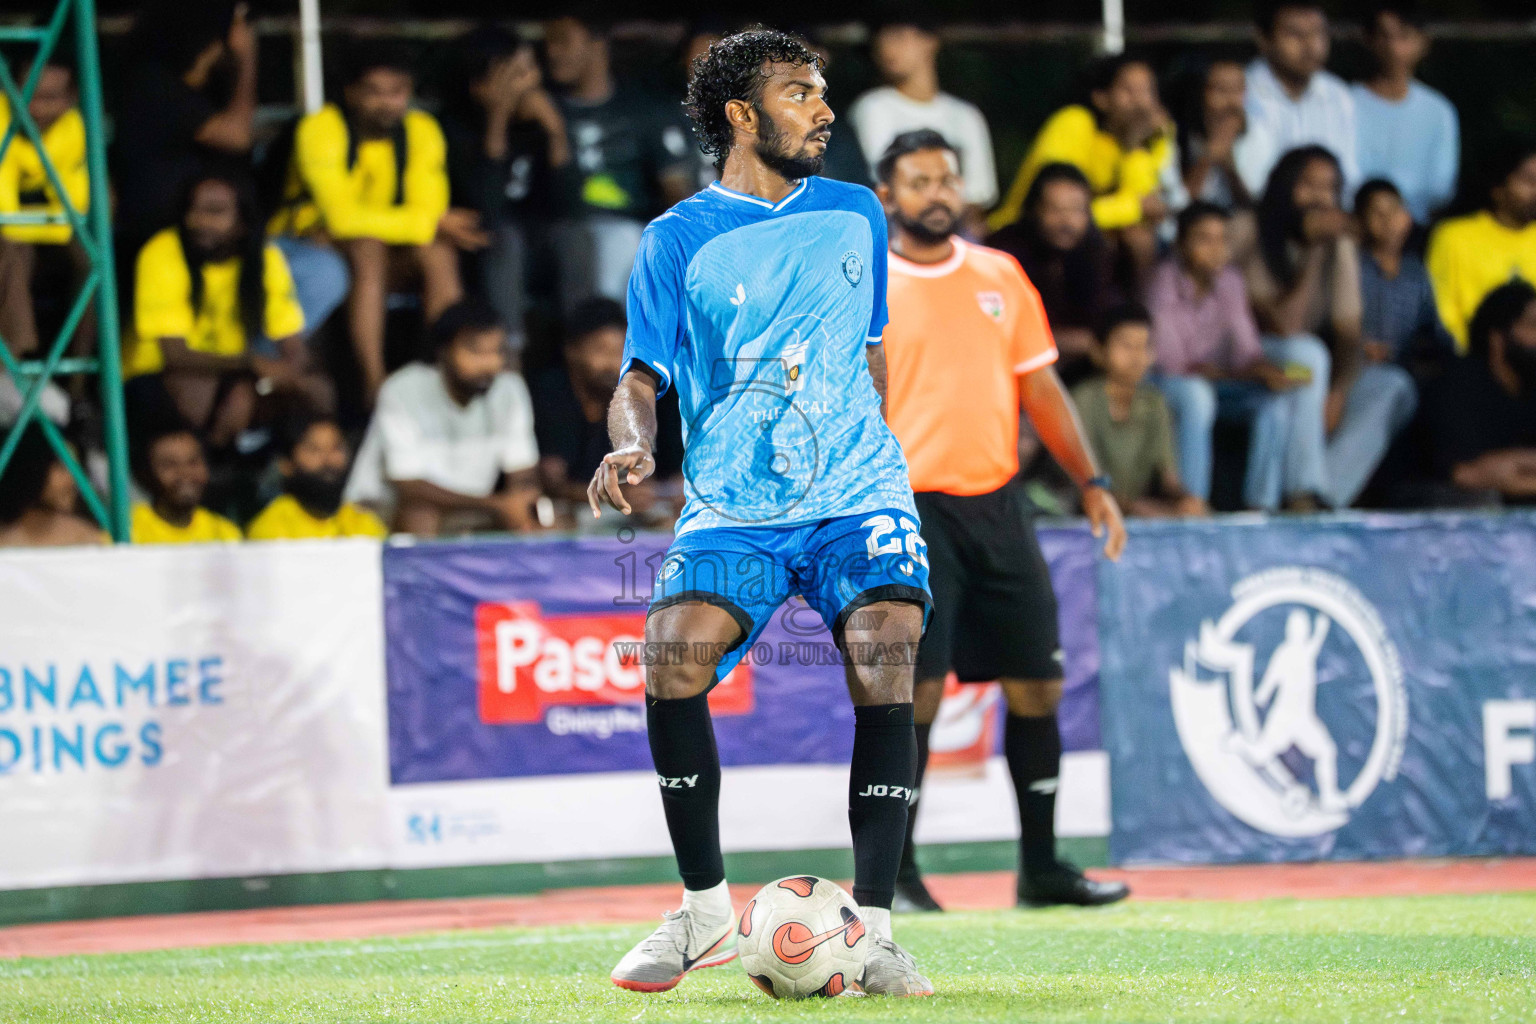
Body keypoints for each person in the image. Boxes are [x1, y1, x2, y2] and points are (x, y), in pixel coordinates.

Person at [588, 30, 934, 996]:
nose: (824, 110)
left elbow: (868, 352)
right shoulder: (676, 239)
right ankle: (703, 913)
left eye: (823, 93)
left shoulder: (860, 213)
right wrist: (632, 442)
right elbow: (640, 375)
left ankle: (873, 934)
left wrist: (870, 448)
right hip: (736, 504)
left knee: (886, 644)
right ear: (741, 115)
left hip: (856, 489)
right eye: (799, 93)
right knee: (672, 655)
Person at [872, 130, 1128, 915]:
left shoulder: (1000, 274)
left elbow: (1042, 390)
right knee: (912, 694)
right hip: (906, 509)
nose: (936, 193)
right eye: (918, 181)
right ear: (887, 196)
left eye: (946, 178)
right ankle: (898, 874)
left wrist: (1092, 481)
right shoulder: (864, 282)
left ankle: (1043, 867)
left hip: (999, 502)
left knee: (1039, 685)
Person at [271, 41, 459, 404]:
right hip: (308, 243)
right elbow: (342, 218)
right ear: (351, 92)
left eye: (398, 92)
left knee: (438, 252)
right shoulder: (321, 128)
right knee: (368, 247)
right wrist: (420, 223)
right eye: (374, 92)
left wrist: (417, 224)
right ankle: (376, 385)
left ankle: (448, 375)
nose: (387, 103)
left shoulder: (421, 129)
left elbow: (429, 211)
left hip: (375, 250)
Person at [1246, 146, 1417, 509]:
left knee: (1393, 385)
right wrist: (1312, 250)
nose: (1320, 197)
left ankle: (1325, 499)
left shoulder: (1338, 242)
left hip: (1312, 371)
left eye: (1330, 187)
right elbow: (1284, 327)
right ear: (1284, 184)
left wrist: (1338, 392)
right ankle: (1303, 490)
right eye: (1308, 185)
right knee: (1308, 355)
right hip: (1256, 362)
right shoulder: (1250, 229)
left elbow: (1349, 331)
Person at [122, 172, 327, 450]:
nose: (199, 221)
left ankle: (279, 463)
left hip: (230, 372)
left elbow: (292, 345)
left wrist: (296, 377)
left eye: (215, 211)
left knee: (316, 390)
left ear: (243, 222)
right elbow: (175, 354)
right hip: (156, 376)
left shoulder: (266, 258)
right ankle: (213, 461)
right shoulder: (162, 251)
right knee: (220, 391)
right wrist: (252, 364)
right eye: (192, 210)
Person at [1150, 201, 1323, 510]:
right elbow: (1173, 365)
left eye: (1222, 239)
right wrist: (1246, 374)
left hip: (1219, 381)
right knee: (1195, 395)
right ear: (1179, 245)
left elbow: (1247, 351)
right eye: (1204, 239)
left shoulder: (1231, 280)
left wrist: (1268, 371)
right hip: (1167, 384)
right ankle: (1194, 503)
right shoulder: (1162, 282)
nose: (1217, 249)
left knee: (1277, 401)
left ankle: (1261, 507)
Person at [344, 298, 540, 537]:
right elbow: (409, 487)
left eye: (497, 351)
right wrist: (497, 505)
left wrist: (520, 503)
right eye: (475, 351)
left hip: (469, 509)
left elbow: (522, 470)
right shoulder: (402, 389)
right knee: (421, 514)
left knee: (544, 519)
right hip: (380, 513)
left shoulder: (509, 389)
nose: (489, 363)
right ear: (443, 351)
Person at [543, 8, 697, 311]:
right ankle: (601, 340)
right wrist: (553, 131)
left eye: (562, 41)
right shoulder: (543, 110)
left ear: (597, 43)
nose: (552, 52)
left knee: (627, 239)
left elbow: (675, 188)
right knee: (598, 238)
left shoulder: (641, 110)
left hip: (630, 230)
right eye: (548, 43)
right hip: (558, 231)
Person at [440, 24, 569, 352]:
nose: (531, 83)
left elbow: (568, 204)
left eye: (531, 69)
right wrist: (497, 120)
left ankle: (585, 345)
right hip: (478, 250)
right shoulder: (452, 129)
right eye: (516, 74)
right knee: (504, 236)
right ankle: (507, 351)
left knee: (580, 236)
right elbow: (487, 209)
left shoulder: (540, 123)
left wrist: (556, 133)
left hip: (538, 245)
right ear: (480, 86)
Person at [110, 1, 257, 252]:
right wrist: (246, 58)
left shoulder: (198, 89)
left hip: (199, 233)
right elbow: (237, 137)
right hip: (162, 236)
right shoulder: (154, 84)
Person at [531, 297, 682, 527]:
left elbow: (674, 473)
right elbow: (551, 483)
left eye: (621, 350)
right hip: (576, 516)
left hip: (638, 513)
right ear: (572, 351)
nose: (613, 362)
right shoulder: (554, 394)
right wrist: (612, 494)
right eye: (601, 350)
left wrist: (670, 493)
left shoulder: (644, 391)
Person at [990, 55, 1173, 244]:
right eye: (1129, 90)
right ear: (1101, 98)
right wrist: (1132, 208)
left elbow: (1148, 206)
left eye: (1147, 91)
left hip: (1084, 242)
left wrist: (1135, 148)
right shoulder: (1075, 123)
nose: (1140, 103)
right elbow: (1059, 211)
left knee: (1136, 235)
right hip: (1023, 236)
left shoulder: (1152, 136)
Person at [848, 8, 998, 221]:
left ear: (930, 41)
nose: (886, 47)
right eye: (880, 40)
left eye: (898, 36)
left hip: (956, 231)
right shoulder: (872, 107)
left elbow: (978, 198)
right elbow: (882, 184)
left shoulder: (966, 116)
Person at [1073, 305, 1206, 518]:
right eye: (1126, 346)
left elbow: (1167, 476)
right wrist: (1133, 507)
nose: (1137, 356)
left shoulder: (1154, 403)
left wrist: (1184, 499)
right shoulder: (1084, 400)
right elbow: (1085, 481)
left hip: (1132, 509)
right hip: (1082, 510)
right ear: (1098, 351)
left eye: (1144, 346)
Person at [987, 163, 1119, 373]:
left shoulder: (1097, 252)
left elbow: (1108, 316)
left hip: (1082, 372)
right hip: (1014, 366)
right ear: (1034, 209)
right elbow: (997, 324)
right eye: (1055, 209)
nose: (1066, 221)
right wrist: (1069, 341)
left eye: (1076, 210)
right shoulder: (1003, 254)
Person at [0, 56, 90, 361]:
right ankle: (14, 367)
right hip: (11, 228)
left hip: (36, 223)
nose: (36, 109)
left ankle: (80, 391)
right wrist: (50, 228)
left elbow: (74, 214)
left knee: (90, 259)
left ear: (71, 99)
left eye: (50, 98)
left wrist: (54, 229)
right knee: (15, 253)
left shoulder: (73, 127)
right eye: (28, 95)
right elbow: (7, 220)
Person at [1420, 280, 1536, 502]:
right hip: (1433, 508)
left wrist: (1516, 464)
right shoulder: (1458, 384)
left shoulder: (1530, 390)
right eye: (1532, 326)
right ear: (1497, 338)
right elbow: (1466, 475)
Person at [1237, 1, 1358, 201]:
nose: (1310, 45)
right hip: (1262, 215)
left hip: (1327, 214)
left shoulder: (1339, 95)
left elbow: (1348, 176)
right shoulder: (1241, 92)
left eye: (1317, 33)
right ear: (1263, 39)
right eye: (1295, 34)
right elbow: (1252, 182)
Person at [1352, 1, 1458, 225]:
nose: (1394, 48)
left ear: (1423, 43)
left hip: (1415, 228)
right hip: (1356, 223)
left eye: (1405, 36)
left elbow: (1440, 188)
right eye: (1385, 36)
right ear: (1368, 40)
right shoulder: (1343, 103)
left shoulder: (1439, 111)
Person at [1426, 141, 1536, 353]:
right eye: (1529, 181)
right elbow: (1442, 315)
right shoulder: (1453, 237)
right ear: (1497, 187)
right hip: (1472, 363)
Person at [1356, 179, 1454, 374]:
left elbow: (1433, 328)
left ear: (1408, 216)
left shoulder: (1416, 272)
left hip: (1406, 370)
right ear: (1360, 221)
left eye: (1395, 210)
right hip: (1354, 368)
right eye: (1377, 213)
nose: (1389, 221)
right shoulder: (1352, 266)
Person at [247, 414, 387, 540]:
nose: (328, 460)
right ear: (286, 465)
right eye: (314, 450)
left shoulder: (363, 521)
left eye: (336, 448)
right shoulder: (271, 527)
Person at [130, 425, 242, 544]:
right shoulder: (126, 527)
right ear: (146, 474)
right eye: (169, 464)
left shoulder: (226, 534)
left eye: (193, 462)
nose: (185, 473)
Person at [0, 427, 106, 548]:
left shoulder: (85, 538)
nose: (72, 479)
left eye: (76, 468)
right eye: (61, 467)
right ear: (30, 467)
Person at [1179, 59, 1254, 209]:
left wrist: (1229, 167)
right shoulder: (1182, 137)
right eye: (1221, 90)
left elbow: (1256, 205)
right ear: (1203, 93)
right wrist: (1207, 159)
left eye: (1237, 90)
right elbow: (1180, 204)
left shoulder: (1257, 135)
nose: (1231, 100)